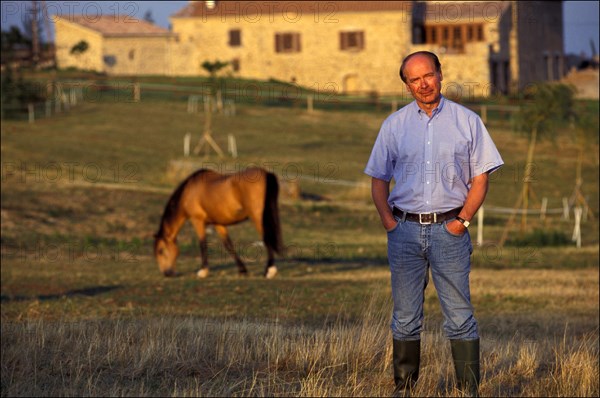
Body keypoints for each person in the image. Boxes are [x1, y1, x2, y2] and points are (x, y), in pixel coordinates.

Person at [364, 51, 503, 396]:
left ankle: (467, 390)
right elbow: (379, 178)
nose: (423, 84)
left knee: (459, 316)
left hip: (450, 231)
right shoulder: (393, 125)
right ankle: (404, 388)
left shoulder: (467, 121)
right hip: (404, 231)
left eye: (428, 75)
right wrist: (388, 223)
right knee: (406, 316)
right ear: (407, 85)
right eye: (414, 79)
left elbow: (481, 177)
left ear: (441, 74)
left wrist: (463, 221)